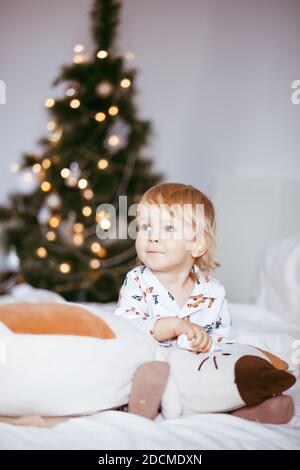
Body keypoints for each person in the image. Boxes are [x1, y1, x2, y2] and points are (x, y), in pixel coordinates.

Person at [114, 183, 294, 423]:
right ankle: (141, 404)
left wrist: (205, 344)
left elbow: (221, 340)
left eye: (168, 228)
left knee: (229, 366)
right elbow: (124, 327)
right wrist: (170, 326)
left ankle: (249, 408)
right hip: (153, 364)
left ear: (197, 244)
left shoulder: (212, 292)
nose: (152, 237)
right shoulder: (137, 280)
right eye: (145, 227)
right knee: (134, 369)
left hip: (194, 373)